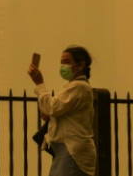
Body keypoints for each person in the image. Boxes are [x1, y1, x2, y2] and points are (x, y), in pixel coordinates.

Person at [27, 45, 96, 176]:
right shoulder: (74, 87)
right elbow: (59, 112)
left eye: (67, 62)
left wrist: (39, 83)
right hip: (66, 150)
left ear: (81, 65)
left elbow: (53, 107)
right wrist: (50, 116)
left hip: (72, 151)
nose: (63, 66)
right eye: (61, 62)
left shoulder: (79, 86)